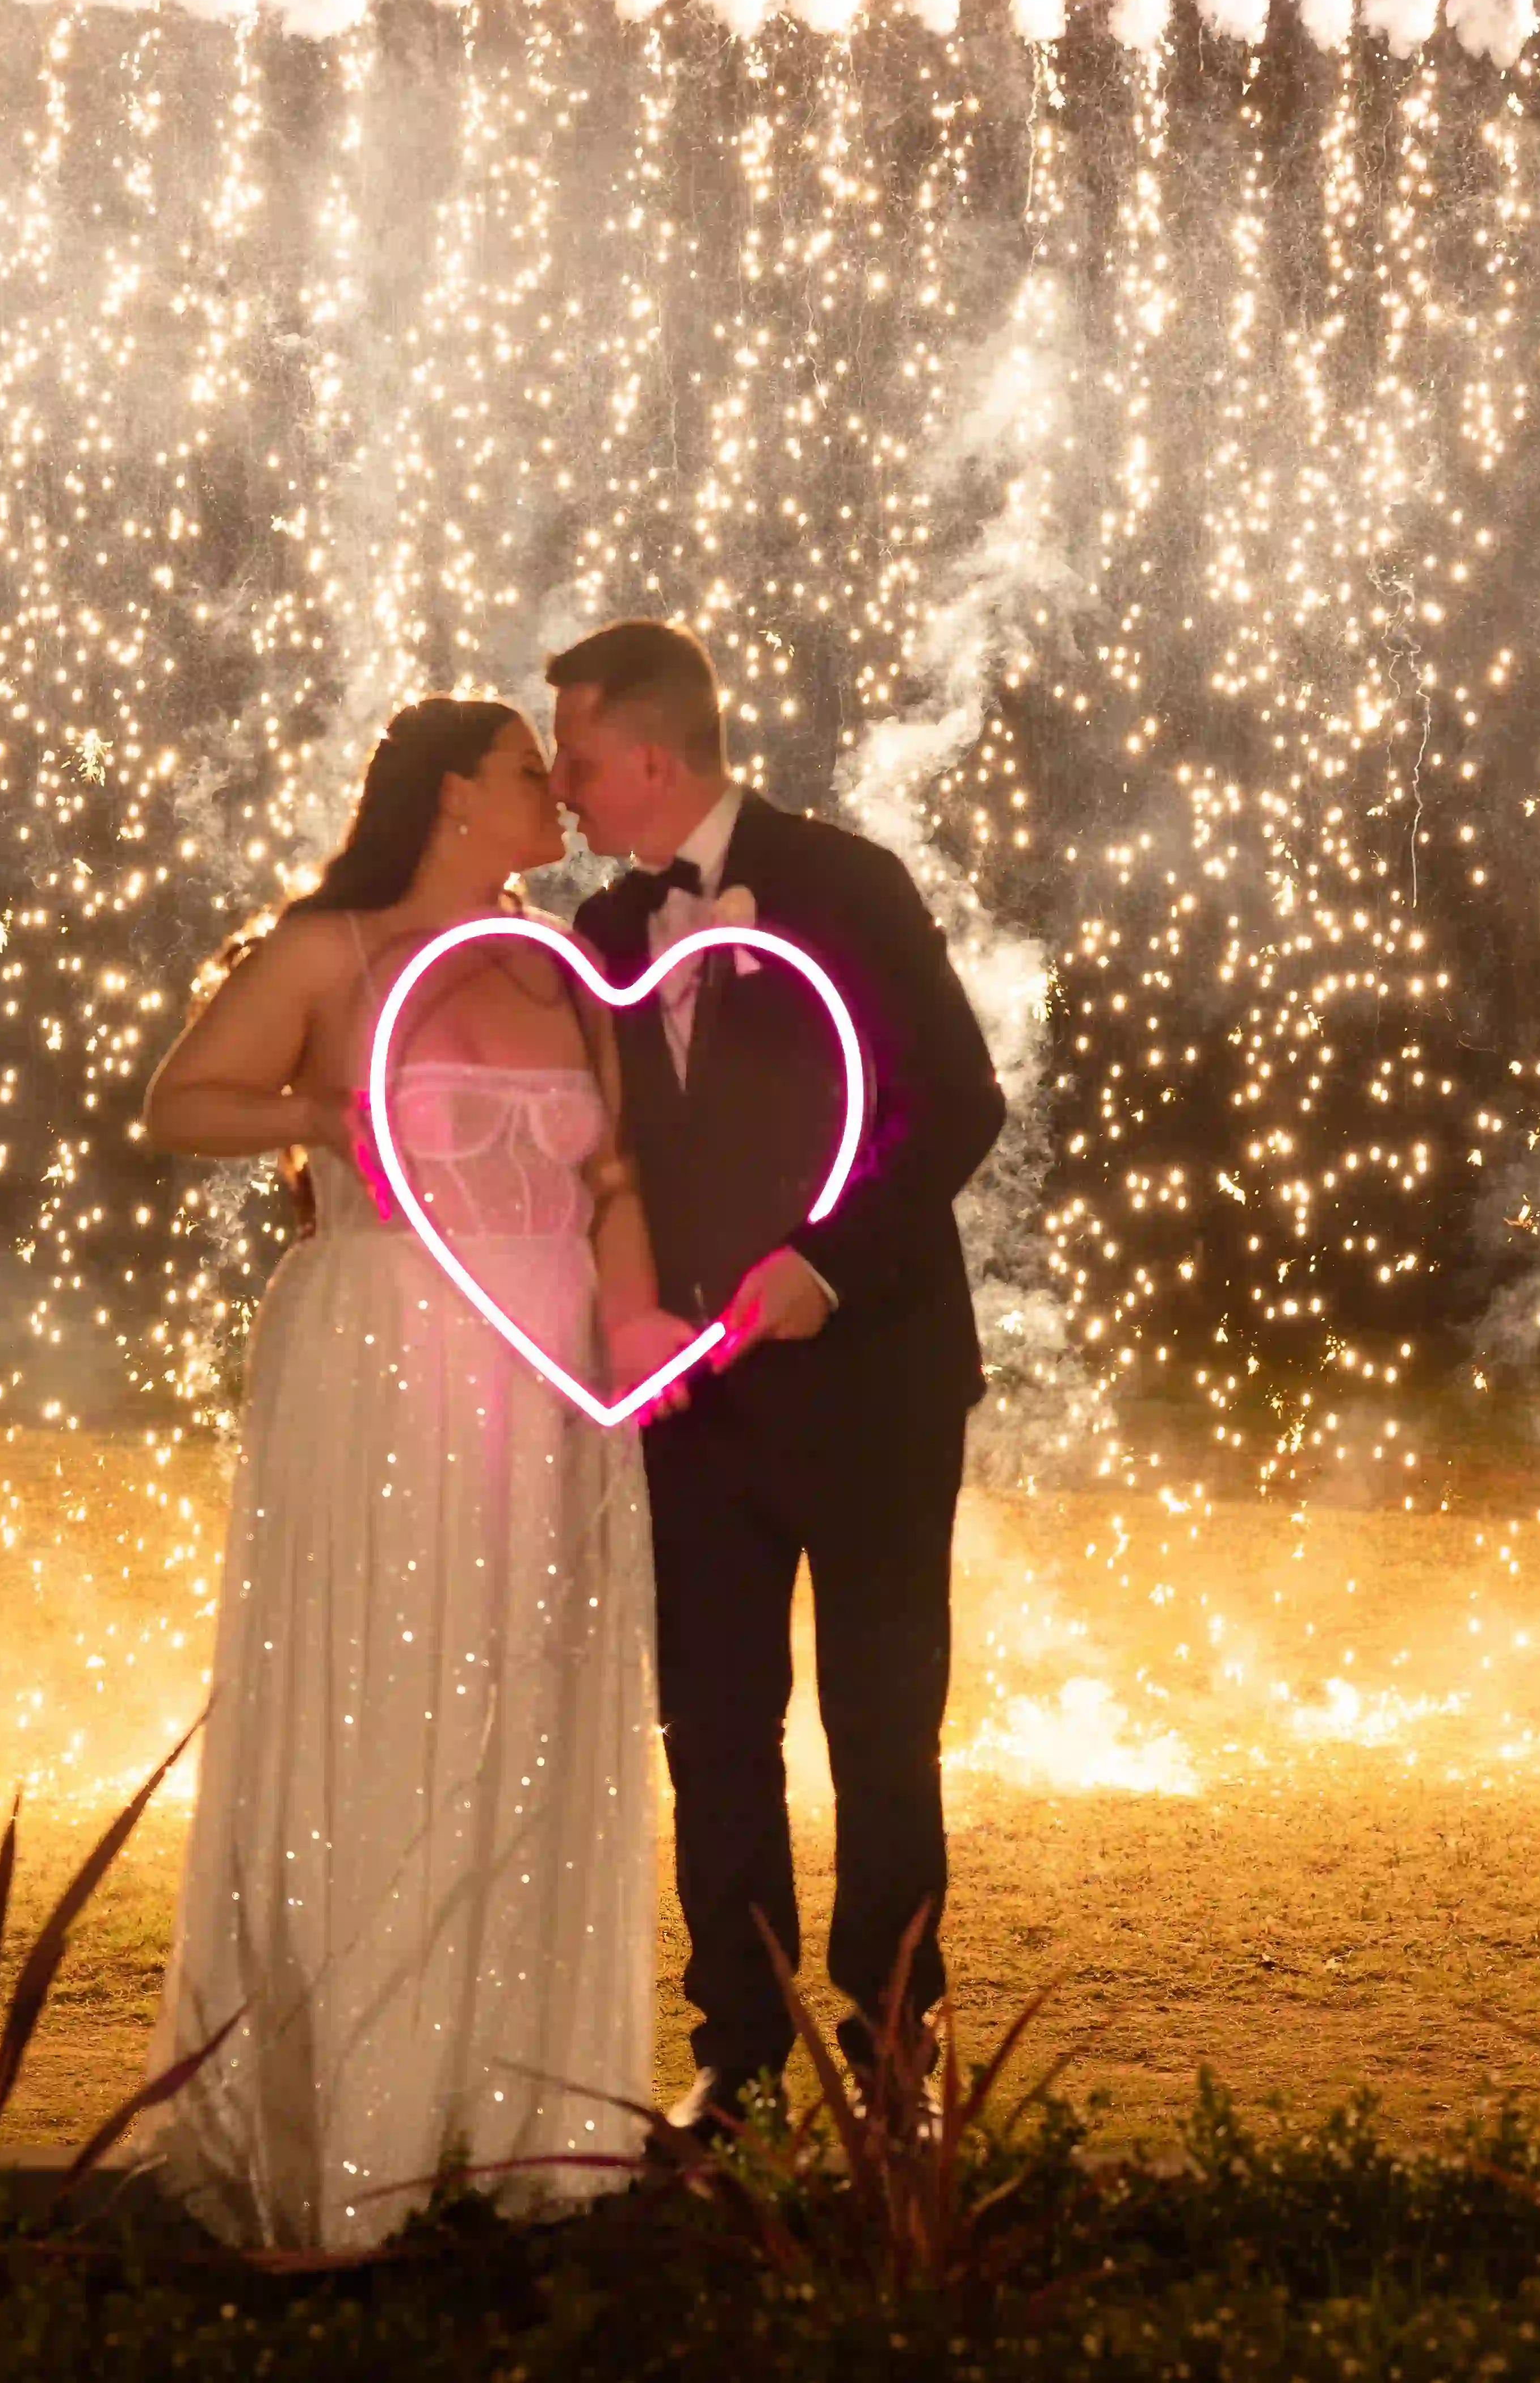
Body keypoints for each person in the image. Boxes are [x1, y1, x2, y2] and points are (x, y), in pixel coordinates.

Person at [136, 697, 683, 2251]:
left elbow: (609, 1174)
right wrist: (324, 1114)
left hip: (553, 1368)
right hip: (381, 1349)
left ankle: (519, 2120)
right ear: (453, 793)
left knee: (527, 1706)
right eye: (530, 771)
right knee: (389, 1697)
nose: (558, 794)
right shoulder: (334, 949)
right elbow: (177, 1103)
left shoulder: (562, 966)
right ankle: (356, 2125)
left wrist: (636, 1328)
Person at [546, 621, 1006, 2134]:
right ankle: (737, 2051)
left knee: (883, 1720)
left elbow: (951, 1100)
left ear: (652, 759)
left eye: (579, 756)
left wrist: (823, 1262)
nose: (563, 786)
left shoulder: (843, 884)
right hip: (697, 1404)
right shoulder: (602, 934)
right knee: (716, 1725)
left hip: (871, 1384)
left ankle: (891, 2047)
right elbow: (600, 1160)